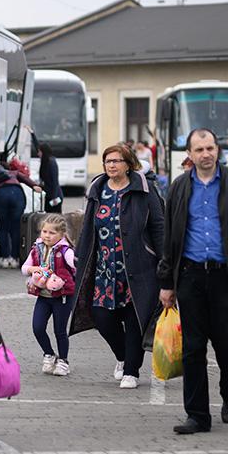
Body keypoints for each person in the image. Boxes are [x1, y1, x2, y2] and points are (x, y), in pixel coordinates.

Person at [158, 129, 228, 434]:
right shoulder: (179, 188)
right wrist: (166, 283)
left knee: (226, 344)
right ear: (190, 155)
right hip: (190, 276)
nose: (206, 154)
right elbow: (169, 240)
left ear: (217, 150)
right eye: (199, 149)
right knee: (193, 348)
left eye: (210, 148)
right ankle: (197, 415)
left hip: (225, 277)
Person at [68, 144, 165, 389]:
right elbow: (88, 227)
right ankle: (123, 356)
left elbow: (159, 227)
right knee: (102, 317)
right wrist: (79, 257)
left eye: (117, 161)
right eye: (107, 161)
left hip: (139, 268)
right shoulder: (97, 189)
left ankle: (132, 371)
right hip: (104, 271)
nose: (111, 165)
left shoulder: (145, 190)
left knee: (135, 320)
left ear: (129, 163)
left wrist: (166, 263)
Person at [21, 214, 76, 377]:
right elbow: (24, 268)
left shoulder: (66, 251)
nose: (47, 235)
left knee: (60, 330)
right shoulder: (36, 249)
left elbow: (77, 266)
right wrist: (33, 269)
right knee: (37, 327)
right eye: (44, 231)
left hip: (63, 297)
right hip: (44, 297)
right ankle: (49, 354)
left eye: (52, 233)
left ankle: (63, 361)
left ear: (62, 234)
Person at [0, 158, 42, 268]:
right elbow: (24, 178)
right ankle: (15, 258)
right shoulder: (14, 173)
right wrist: (34, 185)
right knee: (16, 228)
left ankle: (4, 258)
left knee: (3, 228)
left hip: (0, 196)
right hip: (17, 195)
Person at [34, 134, 64, 214]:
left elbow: (54, 182)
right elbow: (37, 145)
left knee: (55, 219)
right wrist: (32, 134)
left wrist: (54, 198)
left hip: (55, 197)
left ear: (44, 152)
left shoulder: (51, 163)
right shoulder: (45, 162)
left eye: (40, 152)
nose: (38, 154)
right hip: (49, 196)